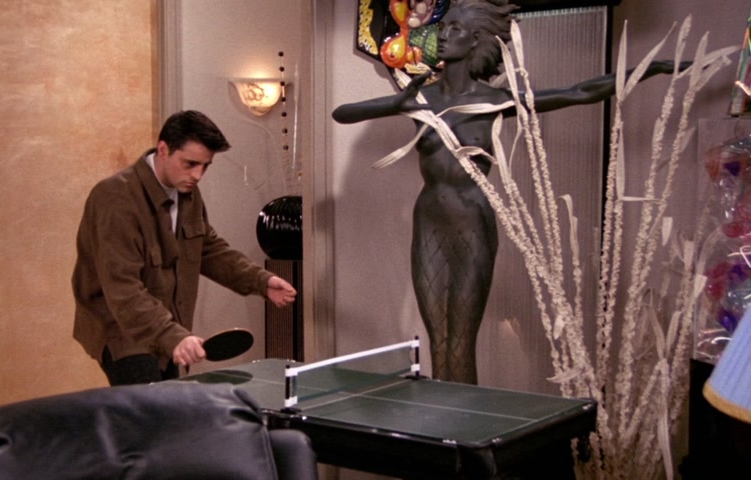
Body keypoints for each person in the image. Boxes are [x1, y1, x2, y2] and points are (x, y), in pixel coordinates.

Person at [332, 0, 682, 384]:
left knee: (461, 341)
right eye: (443, 28)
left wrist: (649, 68)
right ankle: (442, 419)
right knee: (438, 341)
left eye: (454, 29)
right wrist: (398, 102)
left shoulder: (493, 100)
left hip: (472, 222)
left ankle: (466, 418)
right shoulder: (421, 98)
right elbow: (342, 113)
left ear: (475, 40)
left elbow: (579, 92)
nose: (443, 35)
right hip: (429, 220)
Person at [72, 110, 297, 386]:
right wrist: (173, 336)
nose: (197, 175)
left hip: (167, 321)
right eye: (190, 163)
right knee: (153, 408)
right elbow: (122, 288)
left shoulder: (187, 192)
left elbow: (208, 249)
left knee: (171, 404)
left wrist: (261, 281)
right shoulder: (114, 199)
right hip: (122, 327)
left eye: (205, 166)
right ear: (163, 150)